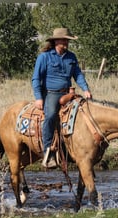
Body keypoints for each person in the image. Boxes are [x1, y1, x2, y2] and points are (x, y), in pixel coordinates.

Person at [31, 28, 92, 169]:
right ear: (55, 41)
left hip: (69, 93)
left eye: (67, 40)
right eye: (63, 40)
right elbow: (36, 78)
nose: (66, 42)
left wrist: (86, 89)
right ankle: (48, 151)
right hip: (51, 93)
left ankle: (79, 147)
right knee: (51, 115)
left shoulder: (71, 57)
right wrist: (39, 98)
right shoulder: (44, 57)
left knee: (84, 112)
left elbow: (78, 75)